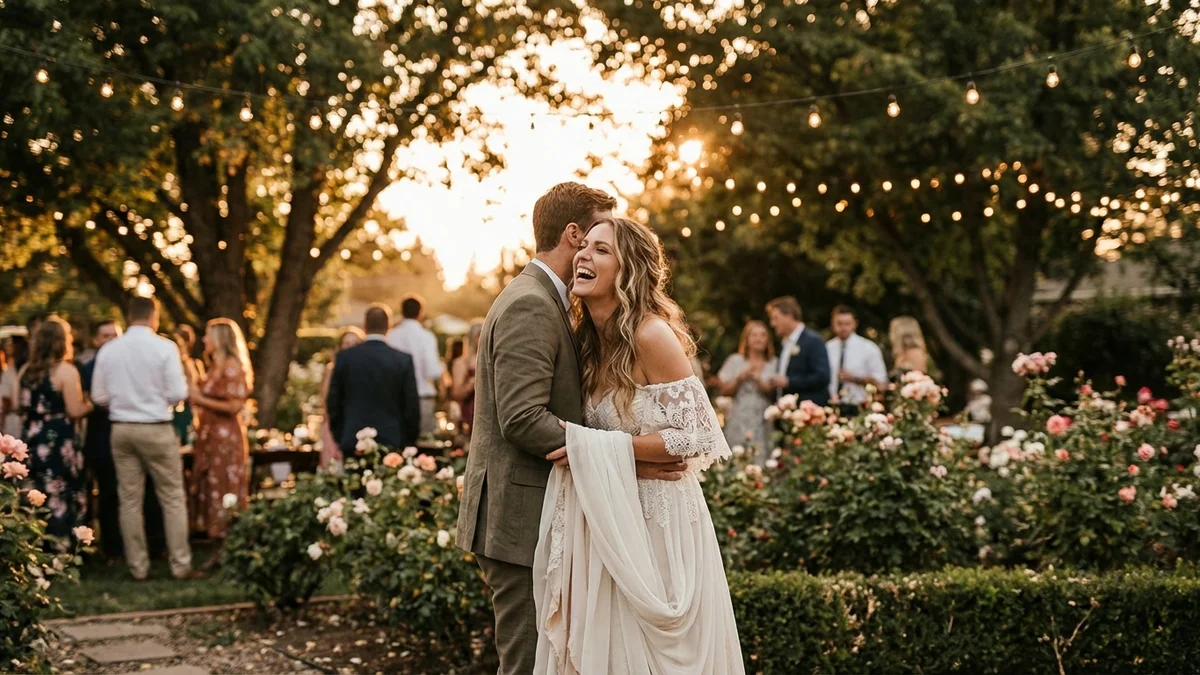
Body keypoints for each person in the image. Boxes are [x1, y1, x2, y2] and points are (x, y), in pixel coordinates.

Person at [457, 183, 687, 675]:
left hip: (549, 518)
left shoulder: (560, 305)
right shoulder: (531, 303)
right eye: (595, 238)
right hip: (520, 522)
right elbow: (521, 419)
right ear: (573, 234)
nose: (594, 251)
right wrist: (627, 454)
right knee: (527, 661)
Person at [532, 216, 744, 673]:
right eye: (584, 246)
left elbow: (701, 435)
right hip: (613, 520)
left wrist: (603, 449)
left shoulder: (651, 335)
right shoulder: (586, 344)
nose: (584, 255)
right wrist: (622, 459)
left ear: (628, 269)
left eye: (601, 249)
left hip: (660, 527)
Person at [91, 297, 202, 581]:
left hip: (121, 428)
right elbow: (178, 393)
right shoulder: (165, 347)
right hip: (156, 426)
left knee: (129, 500)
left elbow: (98, 396)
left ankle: (138, 568)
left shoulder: (109, 350)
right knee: (173, 497)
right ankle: (180, 564)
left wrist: (124, 402)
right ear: (154, 316)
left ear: (128, 316)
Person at [18, 317, 92, 542]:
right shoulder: (66, 371)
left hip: (31, 438)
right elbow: (75, 410)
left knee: (35, 492)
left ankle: (37, 544)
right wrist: (91, 403)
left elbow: (17, 405)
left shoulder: (25, 372)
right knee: (61, 491)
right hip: (58, 440)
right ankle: (63, 544)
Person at [188, 318, 252, 567]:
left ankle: (231, 549)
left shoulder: (232, 366)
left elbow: (235, 406)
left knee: (226, 487)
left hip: (226, 437)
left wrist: (200, 400)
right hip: (211, 436)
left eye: (207, 335)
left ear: (220, 339)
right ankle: (219, 549)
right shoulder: (215, 365)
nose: (204, 340)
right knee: (211, 488)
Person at [327, 304, 420, 457]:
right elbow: (411, 406)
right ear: (388, 327)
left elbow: (334, 402)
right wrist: (408, 440)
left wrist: (341, 435)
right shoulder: (402, 360)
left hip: (352, 438)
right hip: (392, 440)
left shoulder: (345, 358)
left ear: (365, 326)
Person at [80, 320, 124, 559]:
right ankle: (98, 546)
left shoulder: (129, 364)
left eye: (114, 335)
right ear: (96, 340)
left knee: (119, 493)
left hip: (124, 433)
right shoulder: (86, 368)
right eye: (105, 336)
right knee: (100, 492)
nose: (110, 341)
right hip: (98, 436)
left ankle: (119, 546)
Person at [716, 320, 777, 458]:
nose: (758, 339)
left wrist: (758, 380)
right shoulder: (735, 360)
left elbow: (774, 393)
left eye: (763, 335)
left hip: (763, 416)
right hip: (738, 415)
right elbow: (724, 391)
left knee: (762, 453)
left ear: (768, 340)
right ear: (747, 339)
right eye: (754, 335)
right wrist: (739, 379)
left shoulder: (773, 362)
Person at [386, 294, 445, 437]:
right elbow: (432, 371)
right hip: (422, 397)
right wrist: (442, 367)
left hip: (397, 399)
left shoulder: (392, 336)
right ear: (421, 312)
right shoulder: (426, 337)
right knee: (424, 444)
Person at [765, 296, 831, 406]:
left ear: (789, 315)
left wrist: (789, 382)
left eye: (775, 318)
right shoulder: (784, 343)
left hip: (808, 412)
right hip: (787, 412)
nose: (772, 324)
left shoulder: (813, 341)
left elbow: (822, 377)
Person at [826, 305, 889, 414]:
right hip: (832, 405)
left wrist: (855, 378)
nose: (843, 328)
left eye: (847, 324)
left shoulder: (868, 348)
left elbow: (882, 382)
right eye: (839, 323)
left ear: (854, 324)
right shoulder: (827, 348)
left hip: (859, 406)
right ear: (833, 324)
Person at [319, 327, 365, 471]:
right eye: (347, 343)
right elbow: (325, 399)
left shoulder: (364, 369)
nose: (350, 346)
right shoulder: (332, 369)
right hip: (336, 422)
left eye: (354, 343)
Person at [449, 319, 483, 437]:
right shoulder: (462, 362)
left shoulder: (491, 361)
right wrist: (472, 383)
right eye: (479, 335)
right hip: (470, 411)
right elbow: (456, 393)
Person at [0, 334, 26, 437]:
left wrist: (2, 423)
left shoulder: (11, 371)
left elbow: (6, 400)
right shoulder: (20, 369)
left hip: (11, 418)